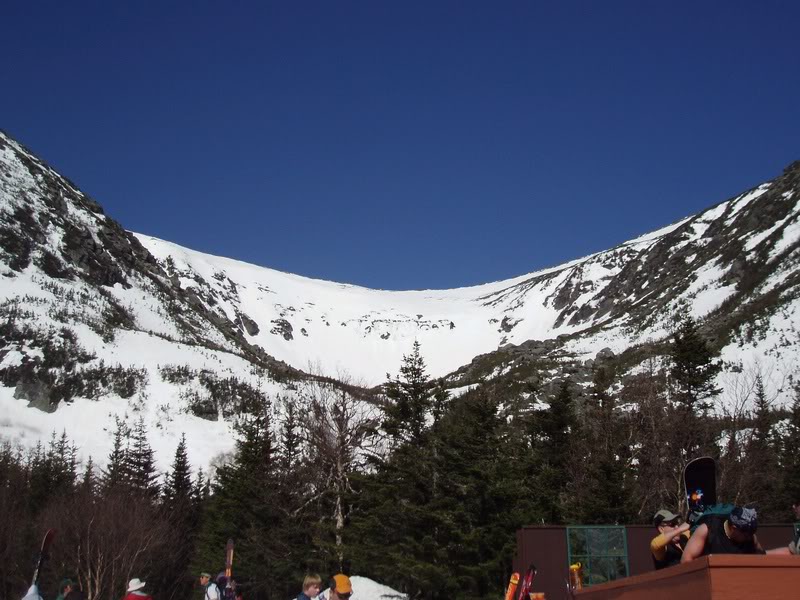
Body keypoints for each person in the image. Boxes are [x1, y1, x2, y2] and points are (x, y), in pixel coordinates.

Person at [681, 505, 765, 562]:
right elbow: (686, 559)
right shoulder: (708, 529)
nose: (750, 536)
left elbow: (762, 556)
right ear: (733, 528)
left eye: (752, 532)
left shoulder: (750, 536)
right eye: (746, 534)